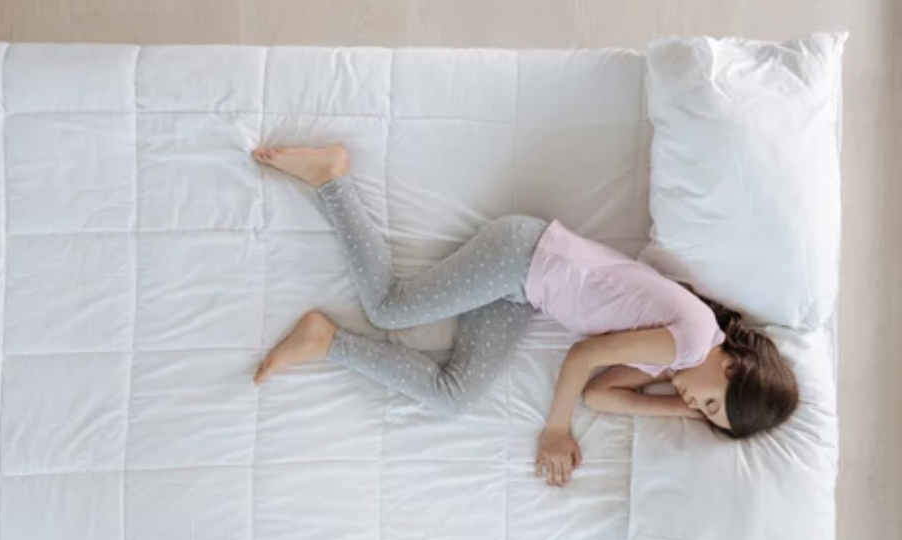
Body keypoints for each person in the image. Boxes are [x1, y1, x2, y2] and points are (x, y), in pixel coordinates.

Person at [250, 145, 799, 487]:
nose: (694, 404)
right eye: (709, 402)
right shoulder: (693, 340)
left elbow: (599, 395)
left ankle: (326, 340)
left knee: (452, 396)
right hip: (520, 257)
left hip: (520, 292)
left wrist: (682, 411)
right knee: (390, 307)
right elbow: (584, 357)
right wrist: (555, 430)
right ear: (731, 366)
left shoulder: (676, 363)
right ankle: (332, 179)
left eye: (704, 414)